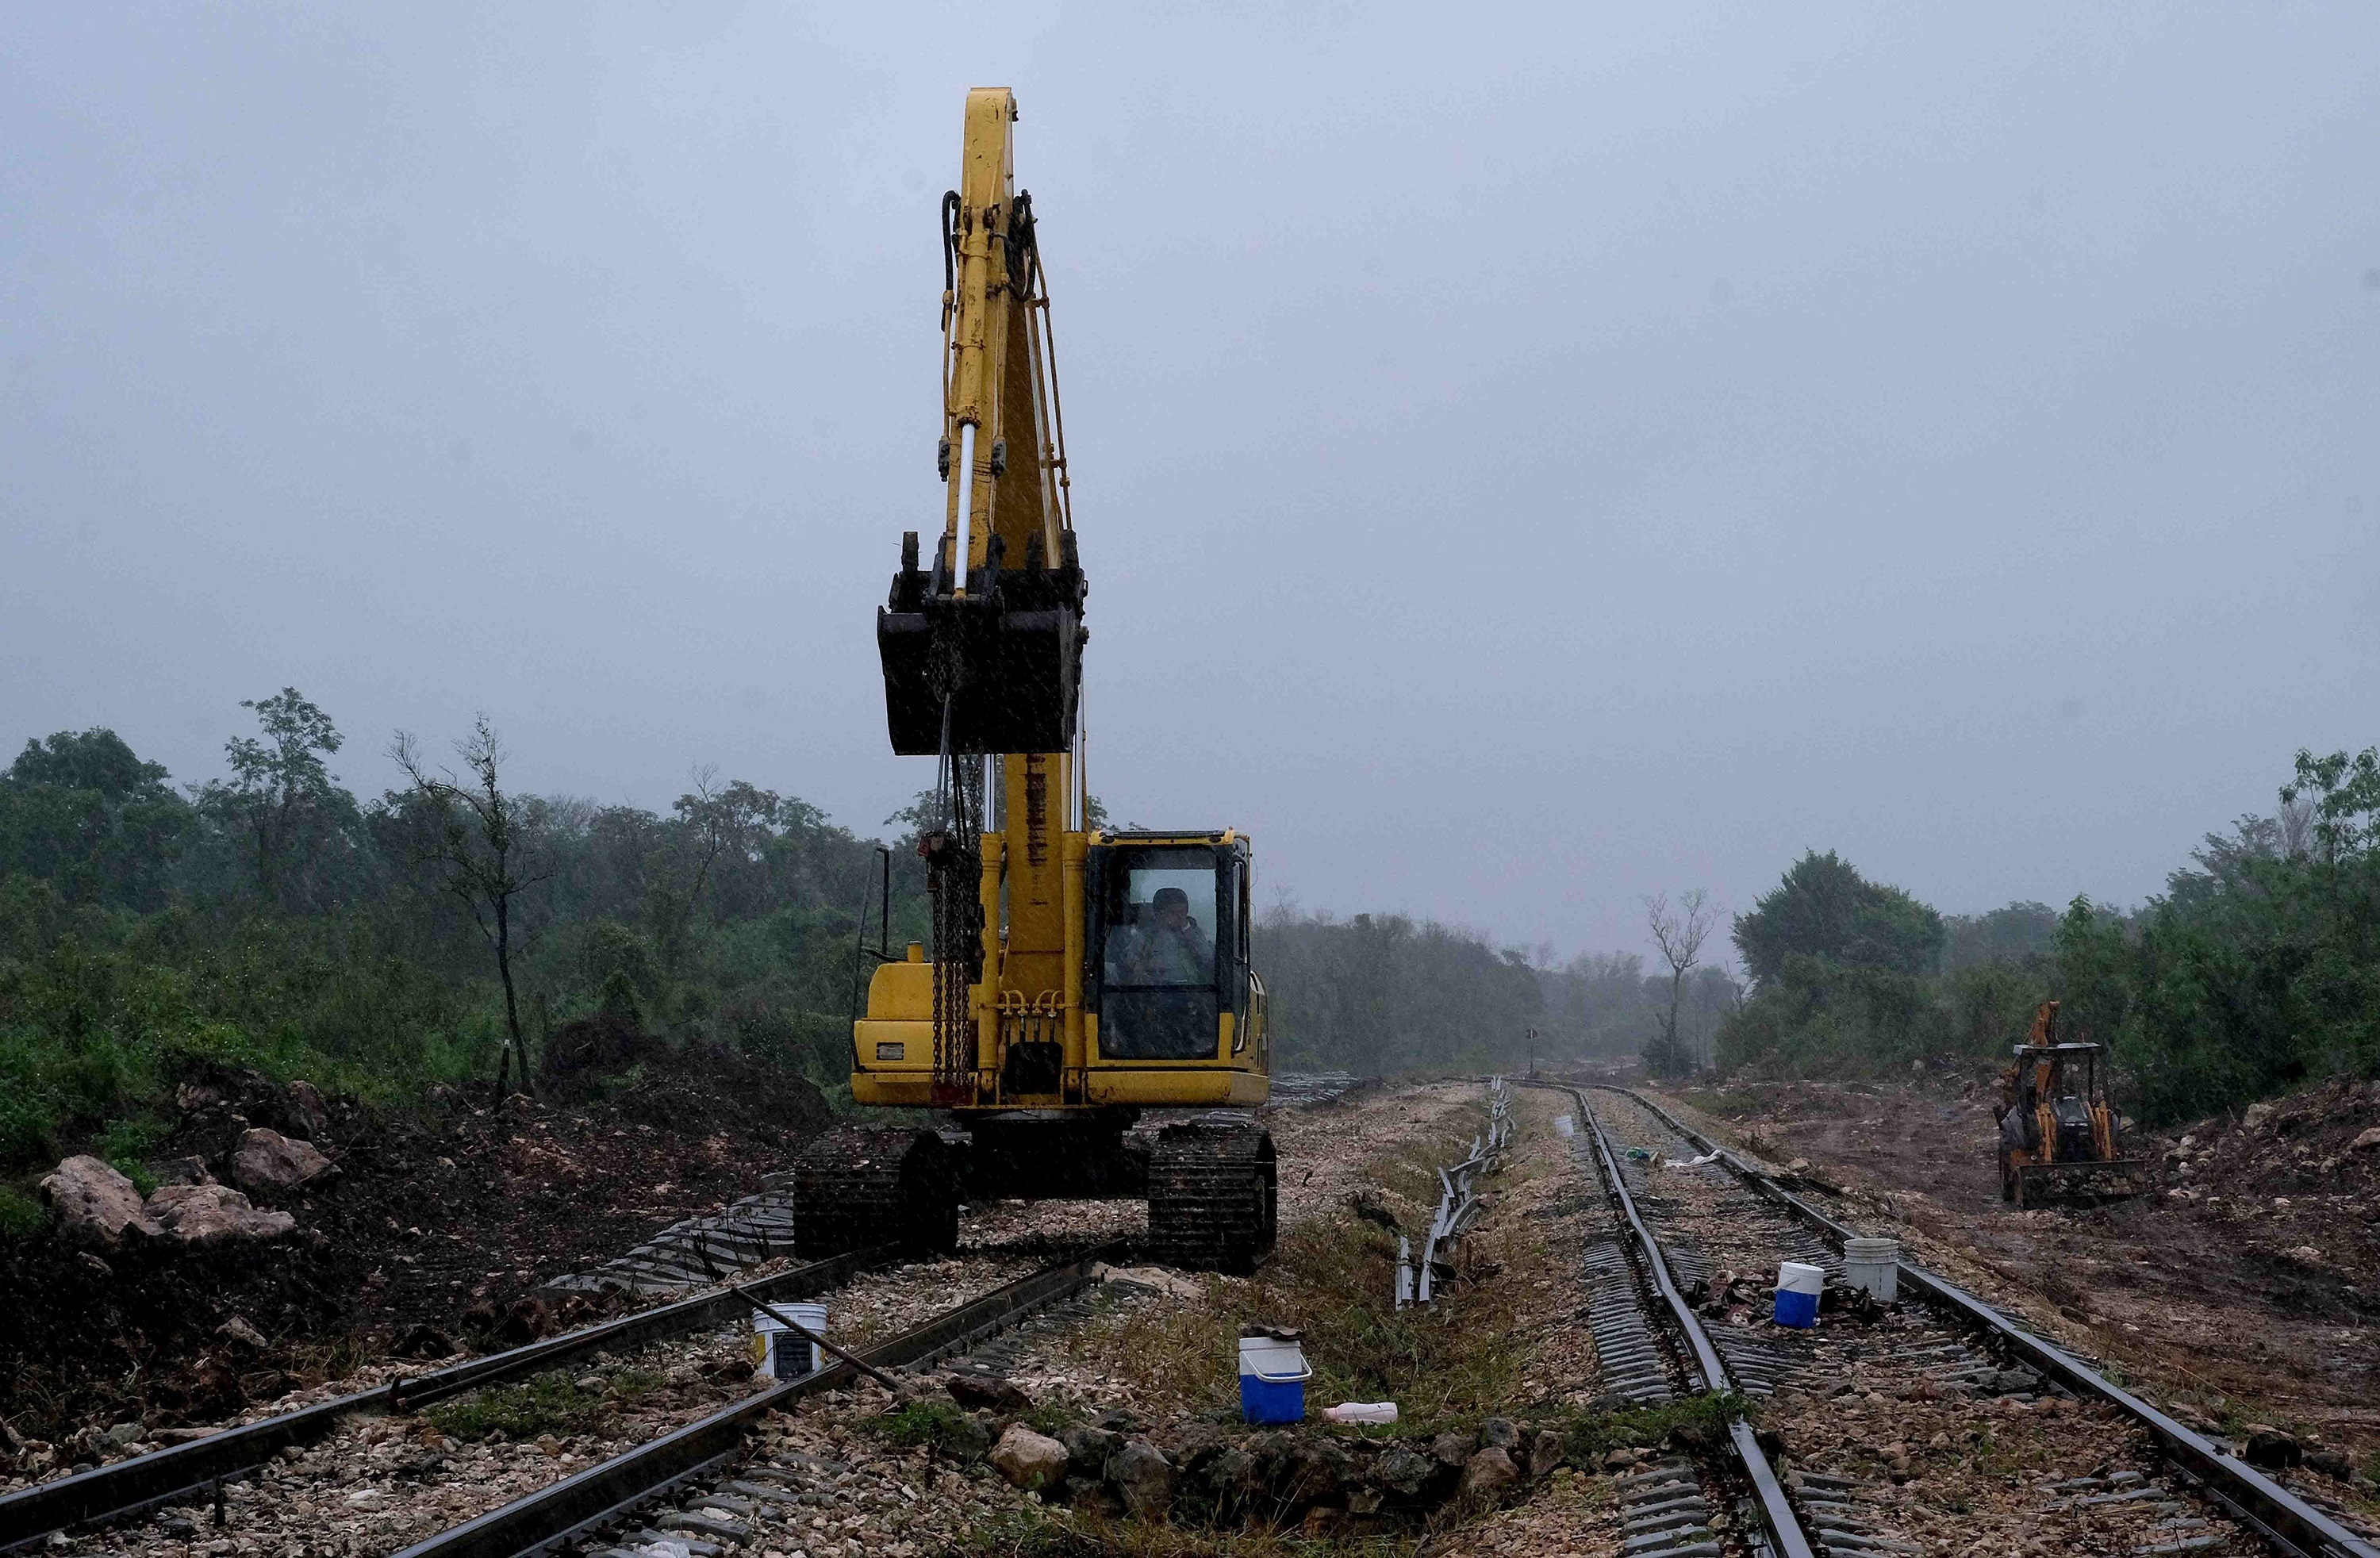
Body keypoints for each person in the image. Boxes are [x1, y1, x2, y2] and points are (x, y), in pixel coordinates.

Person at [1123, 885, 1214, 984]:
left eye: (1182, 912)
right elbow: (1129, 953)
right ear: (1159, 914)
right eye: (1173, 912)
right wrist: (1137, 965)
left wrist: (1187, 930)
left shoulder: (1193, 933)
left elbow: (1207, 957)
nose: (1179, 917)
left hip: (1188, 989)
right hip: (1154, 988)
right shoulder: (1148, 934)